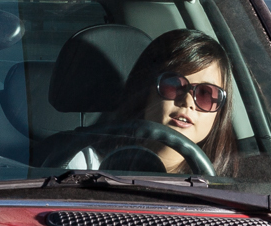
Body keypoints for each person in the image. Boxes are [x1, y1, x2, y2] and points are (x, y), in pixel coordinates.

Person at [63, 29, 239, 176]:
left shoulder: (232, 184)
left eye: (205, 93)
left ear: (220, 112)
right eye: (173, 84)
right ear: (145, 90)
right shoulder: (85, 166)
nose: (187, 101)